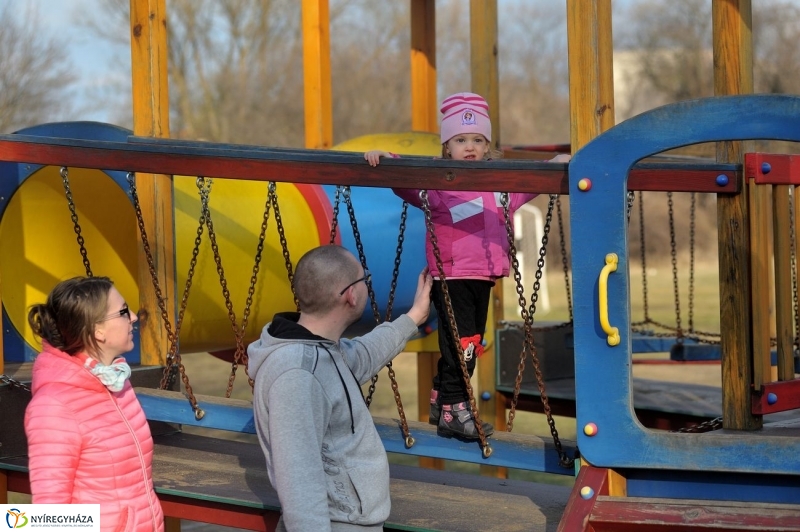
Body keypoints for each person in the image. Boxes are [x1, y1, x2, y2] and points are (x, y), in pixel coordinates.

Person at [365, 92, 570, 440]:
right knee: (463, 345)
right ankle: (454, 409)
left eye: (477, 139)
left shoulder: (499, 189)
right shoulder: (439, 186)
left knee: (469, 341)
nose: (469, 146)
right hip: (452, 275)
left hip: (484, 276)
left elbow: (532, 185)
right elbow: (405, 182)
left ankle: (440, 398)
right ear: (447, 147)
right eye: (460, 139)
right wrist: (388, 160)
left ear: (487, 145)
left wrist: (556, 162)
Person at [247, 244, 432, 532]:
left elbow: (364, 353)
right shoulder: (298, 374)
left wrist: (414, 317)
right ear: (350, 294)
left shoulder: (324, 351)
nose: (367, 287)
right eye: (364, 280)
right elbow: (299, 483)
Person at [24, 276, 164, 532]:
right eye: (123, 311)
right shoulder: (54, 407)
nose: (133, 316)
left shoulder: (114, 380)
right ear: (98, 330)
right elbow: (48, 513)